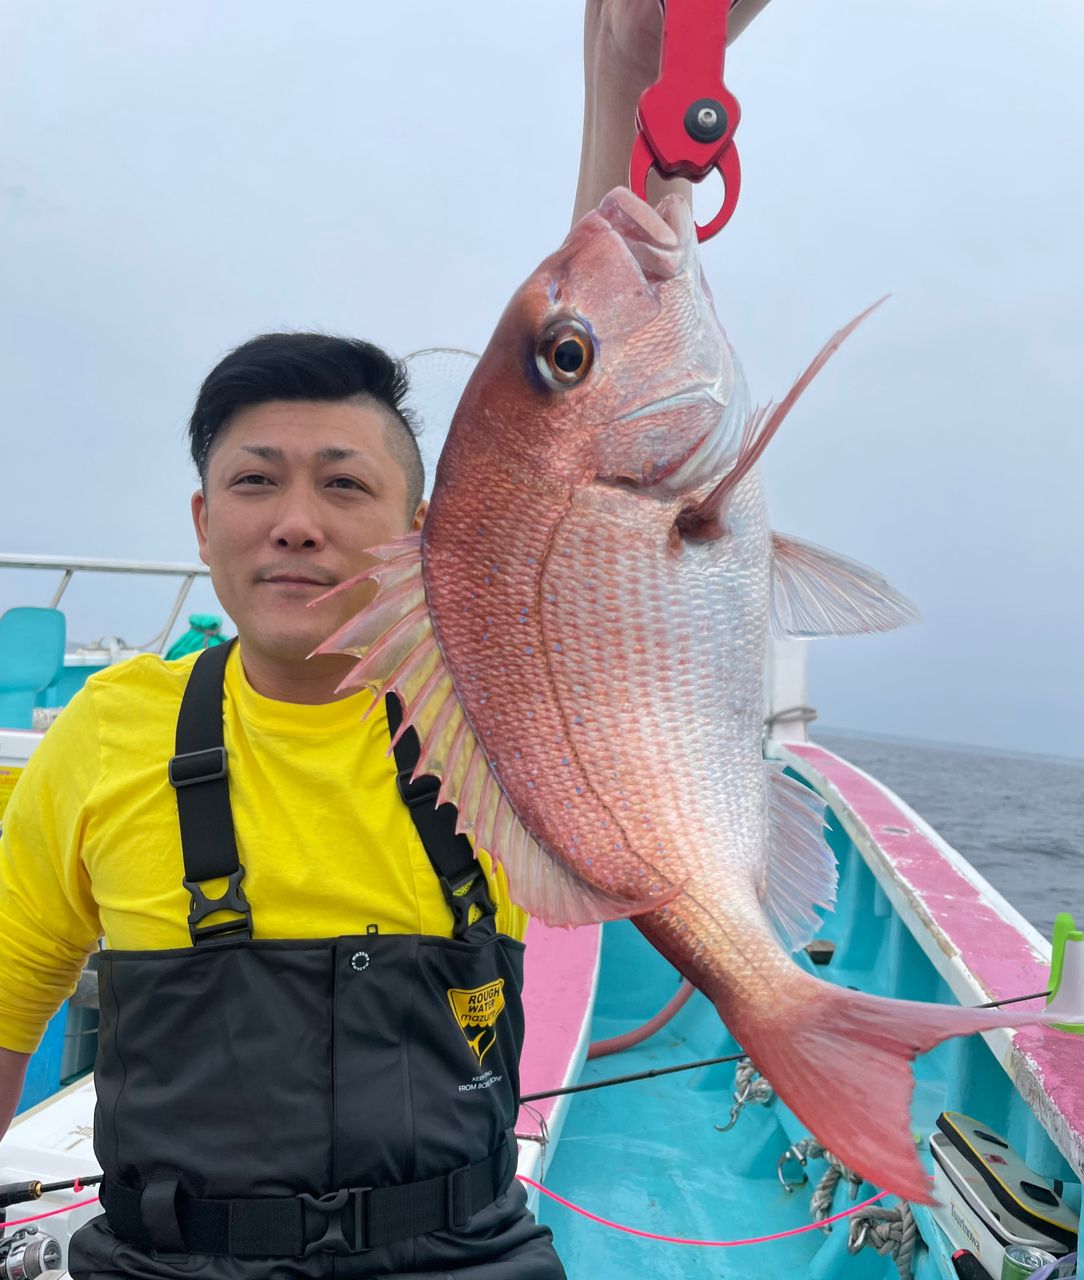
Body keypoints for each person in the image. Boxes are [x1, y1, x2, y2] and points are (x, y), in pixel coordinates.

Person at [0, 3, 768, 1276]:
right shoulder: (109, 730)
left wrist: (631, 64)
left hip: (464, 1253)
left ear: (426, 525)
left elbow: (580, 373)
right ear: (203, 519)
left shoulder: (480, 697)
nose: (296, 523)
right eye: (256, 482)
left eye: (346, 486)